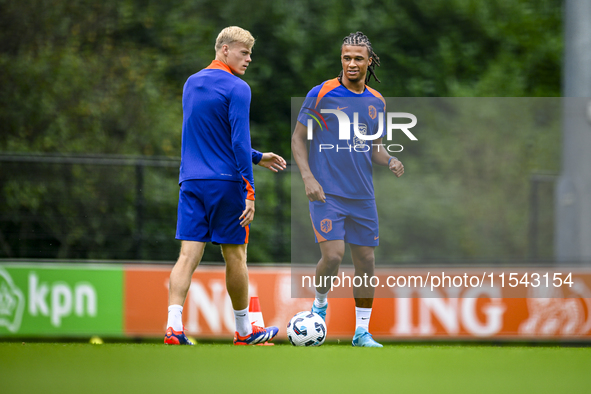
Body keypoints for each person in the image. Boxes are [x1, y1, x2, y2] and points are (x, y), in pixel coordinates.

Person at [165, 26, 286, 346]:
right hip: (225, 184)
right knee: (235, 257)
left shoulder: (191, 83)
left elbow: (210, 135)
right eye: (243, 52)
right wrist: (250, 191)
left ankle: (173, 327)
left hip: (190, 181)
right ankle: (245, 331)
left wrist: (258, 156)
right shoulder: (238, 87)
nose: (248, 59)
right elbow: (236, 139)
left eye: (250, 53)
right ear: (224, 50)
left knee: (187, 255)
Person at [291, 32, 404, 347]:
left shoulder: (376, 101)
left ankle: (361, 332)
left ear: (369, 62)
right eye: (346, 57)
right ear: (340, 59)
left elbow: (375, 148)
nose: (351, 63)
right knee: (334, 256)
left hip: (362, 196)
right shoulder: (322, 93)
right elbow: (298, 139)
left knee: (366, 262)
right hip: (327, 193)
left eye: (358, 58)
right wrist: (308, 178)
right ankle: (320, 306)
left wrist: (390, 160)